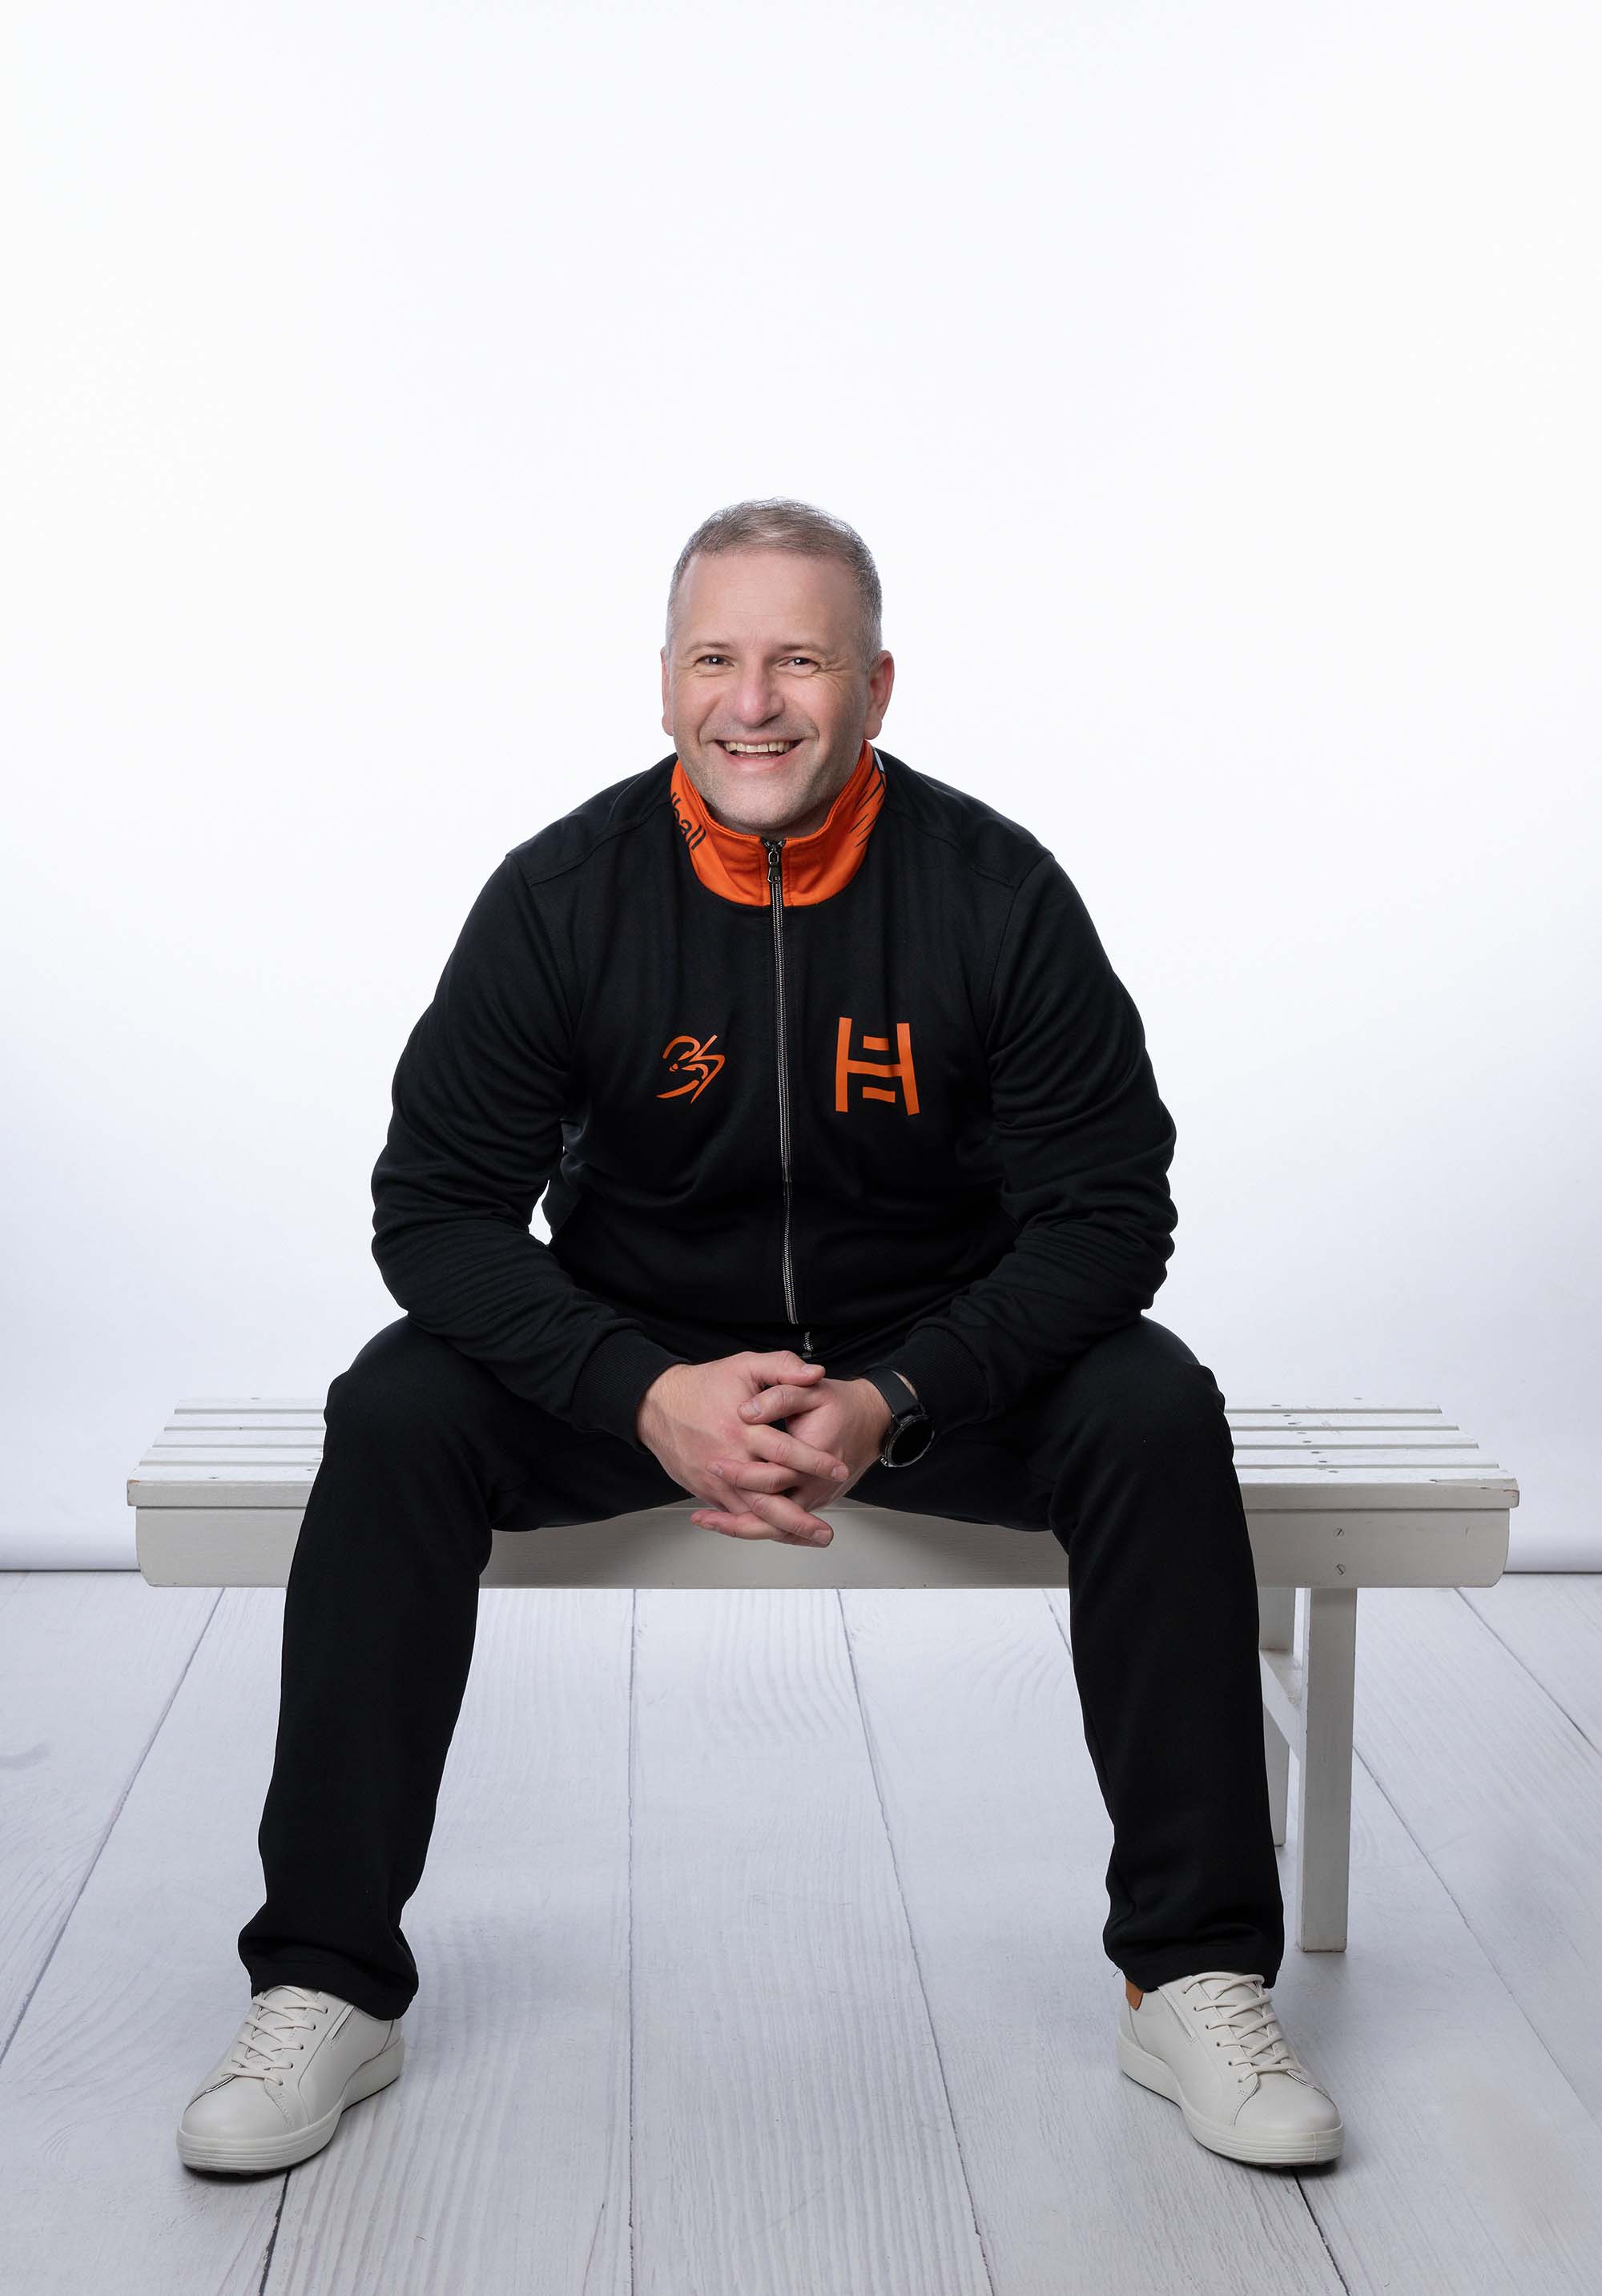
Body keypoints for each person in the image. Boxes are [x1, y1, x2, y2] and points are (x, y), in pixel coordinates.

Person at [178, 497, 1343, 2177]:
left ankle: (1195, 1974)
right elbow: (431, 1209)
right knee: (397, 1409)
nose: (755, 701)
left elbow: (1109, 1212)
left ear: (878, 682)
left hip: (931, 1368)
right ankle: (325, 1985)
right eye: (717, 658)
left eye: (799, 658)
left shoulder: (995, 896)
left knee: (1154, 1409)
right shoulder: (561, 898)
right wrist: (636, 1391)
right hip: (635, 1368)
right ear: (663, 684)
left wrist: (897, 1392)